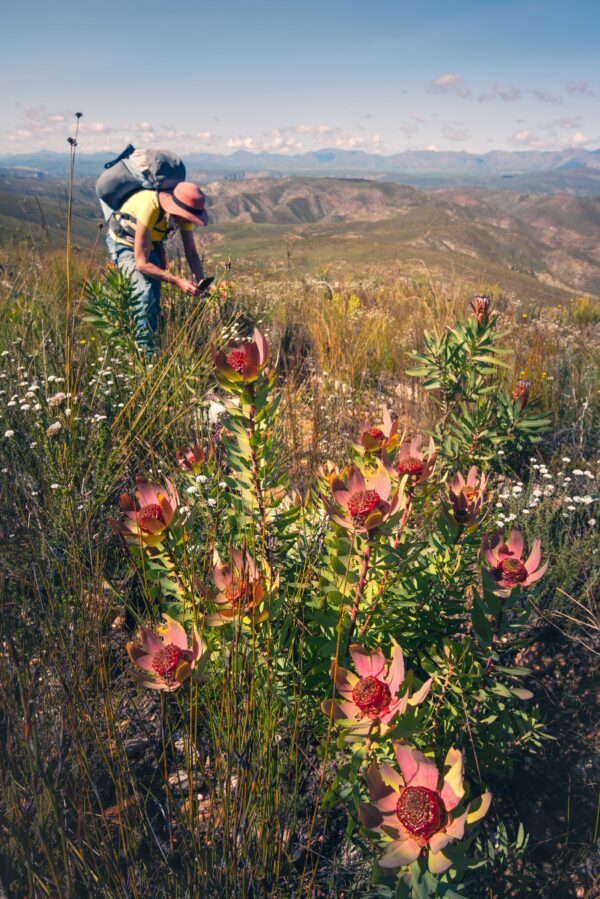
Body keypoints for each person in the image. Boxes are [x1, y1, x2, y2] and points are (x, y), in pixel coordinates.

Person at [106, 181, 209, 353]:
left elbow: (191, 253)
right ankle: (146, 358)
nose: (188, 222)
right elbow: (141, 264)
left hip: (150, 245)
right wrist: (178, 281)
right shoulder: (150, 206)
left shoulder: (182, 213)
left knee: (152, 299)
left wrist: (201, 279)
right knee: (144, 294)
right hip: (124, 244)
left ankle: (151, 343)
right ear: (176, 209)